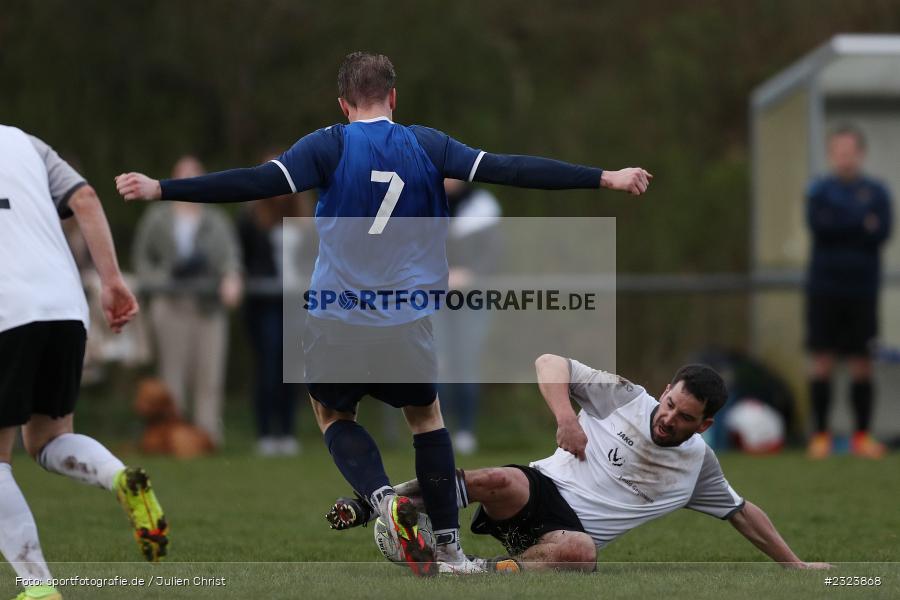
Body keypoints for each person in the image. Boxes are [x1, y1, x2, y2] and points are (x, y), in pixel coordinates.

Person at [114, 51, 652, 575]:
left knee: (333, 415)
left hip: (336, 316)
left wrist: (164, 188)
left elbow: (254, 183)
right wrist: (605, 176)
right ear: (393, 97)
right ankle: (450, 549)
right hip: (405, 319)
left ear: (343, 104)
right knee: (425, 419)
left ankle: (379, 497)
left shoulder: (327, 145)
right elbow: (512, 169)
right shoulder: (427, 144)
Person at [329, 355, 832, 572]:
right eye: (670, 404)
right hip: (539, 488)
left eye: (684, 418)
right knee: (496, 477)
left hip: (565, 533)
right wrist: (566, 417)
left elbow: (742, 511)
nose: (668, 418)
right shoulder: (625, 398)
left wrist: (796, 565)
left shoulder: (699, 466)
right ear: (664, 391)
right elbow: (550, 362)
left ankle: (477, 572)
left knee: (580, 553)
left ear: (704, 427)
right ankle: (377, 504)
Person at [0, 125, 167, 600]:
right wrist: (112, 281)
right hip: (63, 304)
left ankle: (37, 586)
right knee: (49, 436)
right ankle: (120, 477)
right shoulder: (22, 142)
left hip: (5, 310)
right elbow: (87, 198)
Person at [132, 155, 243, 447]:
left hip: (207, 305)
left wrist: (231, 279)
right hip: (170, 304)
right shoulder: (158, 218)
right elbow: (142, 261)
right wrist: (166, 276)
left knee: (209, 374)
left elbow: (230, 258)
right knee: (172, 375)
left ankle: (207, 437)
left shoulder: (215, 219)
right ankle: (172, 437)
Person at [805, 125, 892, 460]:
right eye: (838, 151)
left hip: (862, 290)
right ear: (832, 155)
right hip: (824, 288)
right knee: (822, 361)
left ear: (860, 153)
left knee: (861, 362)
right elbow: (820, 227)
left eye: (850, 151)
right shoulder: (818, 190)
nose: (844, 157)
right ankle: (822, 436)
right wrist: (859, 223)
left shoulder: (877, 192)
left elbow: (881, 232)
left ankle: (861, 437)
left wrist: (844, 222)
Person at [433, 178, 503, 455]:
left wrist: (470, 274)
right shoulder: (425, 202)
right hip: (433, 296)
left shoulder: (483, 206)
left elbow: (493, 254)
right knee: (437, 362)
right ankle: (437, 430)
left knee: (466, 361)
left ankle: (465, 430)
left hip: (472, 297)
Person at [238, 192, 305, 456]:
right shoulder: (250, 219)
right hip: (264, 303)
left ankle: (287, 431)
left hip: (297, 302)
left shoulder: (306, 217)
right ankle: (265, 432)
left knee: (292, 367)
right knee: (268, 365)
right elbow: (242, 258)